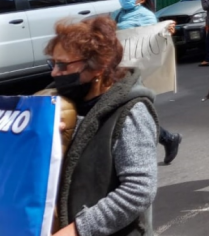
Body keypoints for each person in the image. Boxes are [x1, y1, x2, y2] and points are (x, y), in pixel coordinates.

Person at [49, 16, 157, 236]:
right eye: (52, 64)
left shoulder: (131, 113)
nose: (54, 73)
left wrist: (77, 230)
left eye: (62, 65)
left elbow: (139, 190)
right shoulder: (59, 106)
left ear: (98, 67)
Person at [111, 0, 181, 166]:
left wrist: (166, 32)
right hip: (114, 70)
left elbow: (154, 41)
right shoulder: (117, 13)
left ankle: (162, 141)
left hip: (133, 73)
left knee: (127, 112)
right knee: (125, 112)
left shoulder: (146, 17)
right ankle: (167, 138)